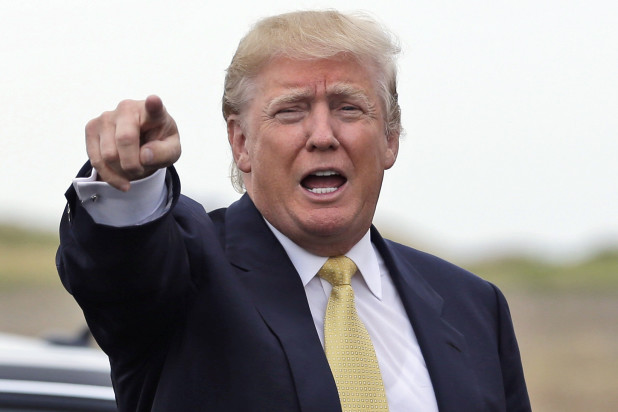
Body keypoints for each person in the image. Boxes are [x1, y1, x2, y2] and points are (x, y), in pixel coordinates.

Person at [57, 10, 531, 412]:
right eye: (291, 111)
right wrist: (129, 183)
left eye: (349, 108)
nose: (323, 134)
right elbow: (122, 271)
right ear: (241, 143)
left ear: (389, 138)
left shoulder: (475, 307)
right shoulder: (189, 274)